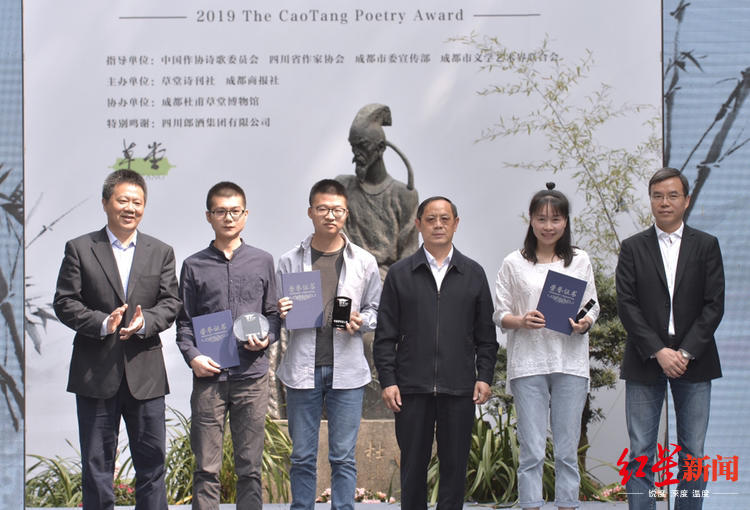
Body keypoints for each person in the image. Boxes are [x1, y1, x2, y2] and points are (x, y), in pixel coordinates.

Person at [53, 169, 181, 510]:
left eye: (137, 202)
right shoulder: (81, 248)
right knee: (97, 466)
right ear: (106, 203)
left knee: (152, 464)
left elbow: (171, 302)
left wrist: (145, 321)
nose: (131, 208)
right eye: (123, 200)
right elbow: (65, 302)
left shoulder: (161, 251)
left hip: (146, 374)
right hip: (95, 373)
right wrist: (101, 322)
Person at [373, 196, 498, 510]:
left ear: (456, 223)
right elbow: (385, 336)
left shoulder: (473, 273)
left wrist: (484, 376)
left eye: (445, 219)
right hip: (411, 388)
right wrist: (388, 381)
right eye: (430, 219)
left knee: (455, 467)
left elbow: (486, 335)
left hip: (459, 387)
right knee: (412, 466)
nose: (438, 225)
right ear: (418, 224)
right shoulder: (400, 273)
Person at [617, 168, 724, 510]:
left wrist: (686, 351)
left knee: (693, 453)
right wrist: (659, 350)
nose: (665, 202)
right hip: (645, 359)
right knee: (641, 453)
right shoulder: (632, 247)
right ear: (651, 200)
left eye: (672, 195)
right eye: (658, 196)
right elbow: (627, 305)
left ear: (686, 200)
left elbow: (714, 304)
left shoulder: (706, 245)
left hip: (696, 360)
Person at [276, 179, 381, 510]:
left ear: (347, 213)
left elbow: (376, 310)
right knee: (302, 456)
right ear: (310, 212)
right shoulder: (289, 260)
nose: (330, 215)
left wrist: (363, 320)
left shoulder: (363, 261)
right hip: (302, 370)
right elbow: (274, 315)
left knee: (343, 457)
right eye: (322, 209)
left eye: (337, 209)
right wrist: (280, 311)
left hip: (347, 372)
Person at [493, 183, 599, 510]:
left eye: (556, 219)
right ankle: (530, 504)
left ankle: (567, 504)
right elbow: (499, 314)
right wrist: (521, 320)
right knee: (532, 450)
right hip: (529, 364)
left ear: (566, 221)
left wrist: (584, 322)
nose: (548, 226)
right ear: (531, 220)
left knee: (567, 450)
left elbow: (592, 304)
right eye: (541, 219)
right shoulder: (514, 262)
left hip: (570, 363)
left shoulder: (579, 260)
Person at [175, 181, 280, 510]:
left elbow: (273, 315)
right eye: (220, 211)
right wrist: (193, 357)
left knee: (250, 468)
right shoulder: (193, 265)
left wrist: (267, 337)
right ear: (209, 216)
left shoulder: (263, 261)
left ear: (246, 215)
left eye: (235, 211)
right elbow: (184, 323)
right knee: (206, 467)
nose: (228, 218)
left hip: (252, 377)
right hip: (210, 379)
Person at [336, 103, 419, 280]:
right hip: (350, 276)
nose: (356, 154)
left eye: (363, 146)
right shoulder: (342, 187)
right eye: (353, 147)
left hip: (389, 281)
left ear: (380, 148)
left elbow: (409, 253)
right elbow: (337, 237)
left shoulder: (404, 195)